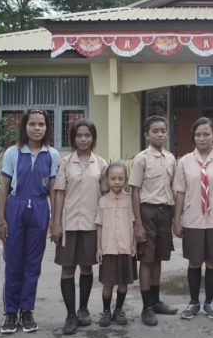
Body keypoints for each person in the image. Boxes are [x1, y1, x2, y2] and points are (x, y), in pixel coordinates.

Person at [0, 109, 60, 334]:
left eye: (41, 124)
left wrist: (54, 221)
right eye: (32, 124)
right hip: (15, 208)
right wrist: (1, 219)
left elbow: (53, 189)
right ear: (24, 127)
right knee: (14, 264)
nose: (37, 128)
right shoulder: (13, 153)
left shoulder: (52, 154)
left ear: (46, 128)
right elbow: (4, 186)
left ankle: (27, 311)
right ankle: (10, 313)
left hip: (40, 209)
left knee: (33, 265)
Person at [173, 117, 213, 320]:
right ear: (193, 137)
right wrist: (177, 219)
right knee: (194, 262)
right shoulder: (184, 161)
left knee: (212, 262)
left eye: (206, 134)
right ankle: (193, 303)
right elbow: (180, 192)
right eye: (198, 135)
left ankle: (209, 303)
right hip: (192, 219)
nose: (202, 138)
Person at [50, 119, 108, 335]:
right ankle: (70, 315)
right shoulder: (65, 163)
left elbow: (105, 194)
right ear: (72, 138)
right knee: (67, 268)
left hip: (92, 224)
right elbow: (59, 193)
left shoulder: (100, 163)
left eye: (87, 135)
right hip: (68, 223)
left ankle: (83, 309)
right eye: (79, 136)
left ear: (93, 137)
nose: (83, 139)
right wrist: (55, 223)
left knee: (86, 267)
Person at [129, 115, 178, 326]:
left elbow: (174, 188)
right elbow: (135, 192)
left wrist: (177, 218)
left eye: (163, 130)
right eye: (155, 131)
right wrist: (137, 223)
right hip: (147, 212)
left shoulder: (171, 158)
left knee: (158, 258)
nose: (160, 134)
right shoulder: (141, 159)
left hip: (165, 213)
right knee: (147, 259)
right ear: (146, 134)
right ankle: (146, 306)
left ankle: (156, 301)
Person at [95, 163, 137, 328]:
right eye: (113, 178)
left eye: (120, 178)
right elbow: (98, 225)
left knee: (123, 283)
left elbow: (134, 223)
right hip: (108, 249)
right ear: (107, 179)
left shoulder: (130, 200)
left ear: (126, 179)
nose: (117, 182)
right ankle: (106, 311)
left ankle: (119, 309)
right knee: (107, 283)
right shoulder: (103, 201)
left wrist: (134, 244)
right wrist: (98, 248)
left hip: (126, 248)